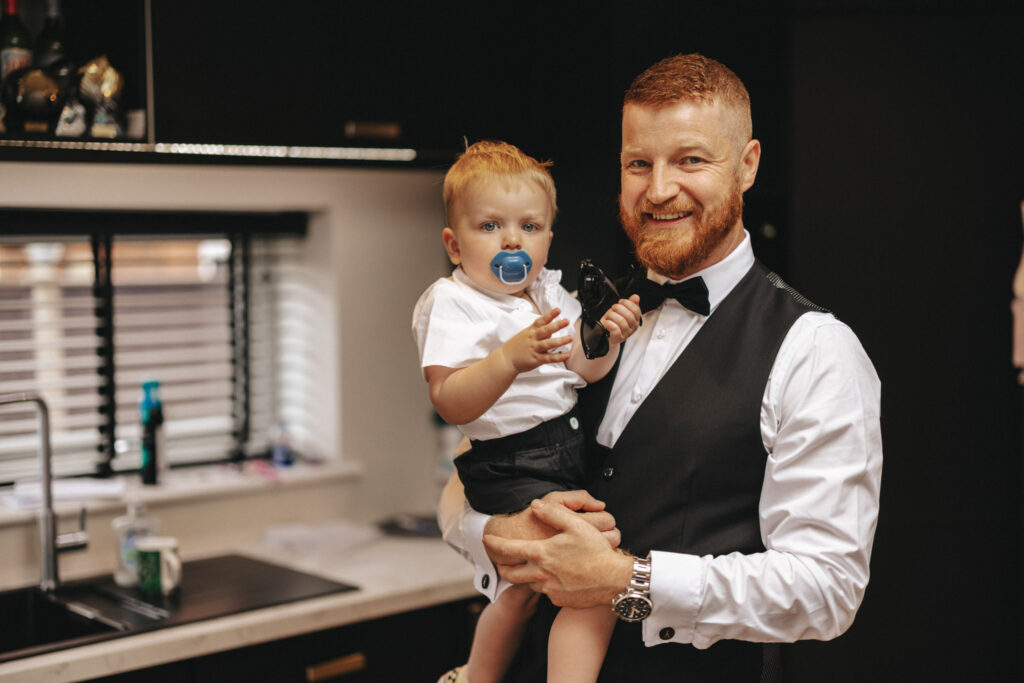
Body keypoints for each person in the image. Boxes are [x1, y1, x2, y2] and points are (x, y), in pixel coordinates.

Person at [438, 54, 883, 681]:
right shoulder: (565, 316)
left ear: (748, 165)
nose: (659, 189)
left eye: (691, 160)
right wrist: (499, 533)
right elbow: (461, 486)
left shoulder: (815, 350)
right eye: (638, 164)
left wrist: (627, 580)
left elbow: (826, 588)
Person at [413, 140, 643, 683]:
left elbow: (586, 371)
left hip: (562, 450)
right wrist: (509, 360)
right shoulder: (453, 303)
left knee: (520, 595)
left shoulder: (546, 294)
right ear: (453, 243)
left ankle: (475, 677)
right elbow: (449, 400)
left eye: (530, 227)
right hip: (510, 460)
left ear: (547, 239)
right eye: (490, 226)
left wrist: (609, 336)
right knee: (590, 592)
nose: (512, 240)